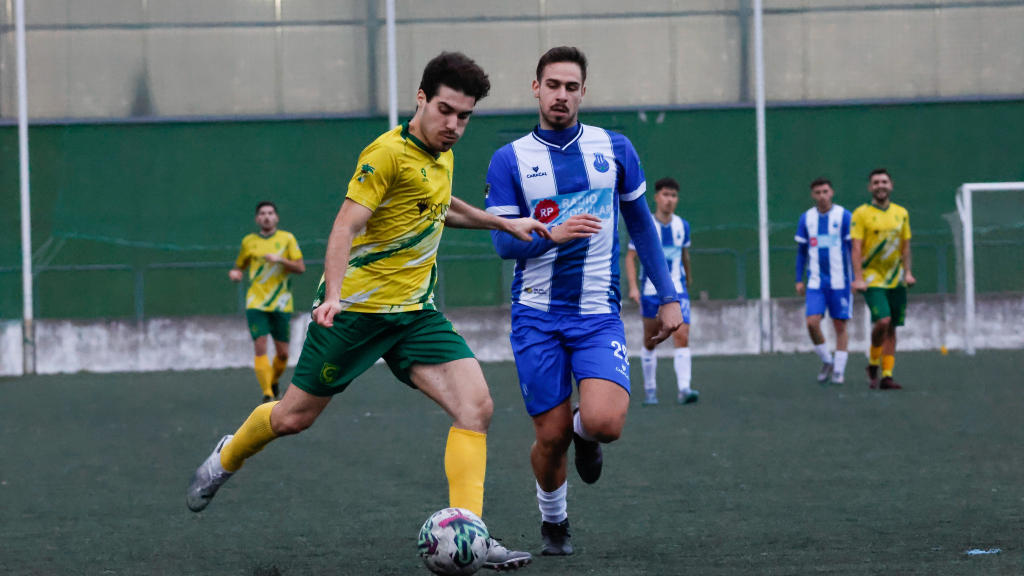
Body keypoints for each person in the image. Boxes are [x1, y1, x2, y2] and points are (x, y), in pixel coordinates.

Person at [188, 52, 548, 571]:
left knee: (478, 407)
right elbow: (345, 226)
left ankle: (470, 534)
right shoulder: (384, 155)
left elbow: (440, 203)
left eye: (464, 116)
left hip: (415, 316)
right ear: (421, 99)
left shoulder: (441, 155)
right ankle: (227, 457)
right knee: (292, 418)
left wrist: (504, 223)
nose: (454, 125)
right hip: (355, 315)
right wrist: (333, 294)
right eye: (445, 110)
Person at [485, 46, 682, 556]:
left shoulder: (614, 148)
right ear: (536, 88)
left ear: (583, 92)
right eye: (552, 85)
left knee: (604, 423)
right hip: (536, 317)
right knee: (550, 439)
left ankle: (586, 434)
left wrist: (670, 298)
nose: (561, 95)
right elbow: (504, 243)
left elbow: (640, 225)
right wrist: (552, 234)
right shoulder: (510, 159)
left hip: (598, 313)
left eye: (571, 87)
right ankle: (555, 523)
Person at [624, 177, 697, 405]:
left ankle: (684, 389)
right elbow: (630, 257)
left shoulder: (682, 226)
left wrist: (688, 277)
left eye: (674, 195)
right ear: (656, 197)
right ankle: (650, 390)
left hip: (677, 290)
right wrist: (634, 287)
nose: (669, 200)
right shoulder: (645, 225)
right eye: (665, 195)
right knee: (650, 340)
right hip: (649, 290)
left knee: (682, 334)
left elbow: (685, 254)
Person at [230, 201, 306, 402]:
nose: (266, 217)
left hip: (281, 303)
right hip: (256, 302)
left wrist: (280, 260)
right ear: (257, 219)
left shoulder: (287, 239)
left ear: (276, 217)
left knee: (282, 354)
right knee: (260, 347)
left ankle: (272, 381)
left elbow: (300, 267)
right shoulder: (249, 241)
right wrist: (236, 273)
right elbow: (240, 265)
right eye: (262, 213)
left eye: (270, 213)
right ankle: (268, 394)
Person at [851, 168, 915, 390]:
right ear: (870, 187)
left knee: (892, 327)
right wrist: (858, 278)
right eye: (876, 182)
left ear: (891, 185)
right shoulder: (861, 213)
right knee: (883, 321)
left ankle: (887, 375)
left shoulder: (901, 213)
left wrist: (907, 272)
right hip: (872, 277)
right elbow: (856, 248)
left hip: (895, 277)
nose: (881, 185)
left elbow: (906, 246)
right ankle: (872, 363)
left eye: (884, 182)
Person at [794, 178, 853, 385]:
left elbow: (853, 250)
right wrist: (798, 279)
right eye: (817, 192)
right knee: (812, 323)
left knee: (840, 326)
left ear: (832, 193)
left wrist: (855, 279)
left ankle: (839, 369)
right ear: (813, 195)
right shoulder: (806, 218)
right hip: (815, 282)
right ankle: (827, 360)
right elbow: (802, 252)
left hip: (840, 282)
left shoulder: (844, 216)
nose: (822, 196)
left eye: (825, 191)